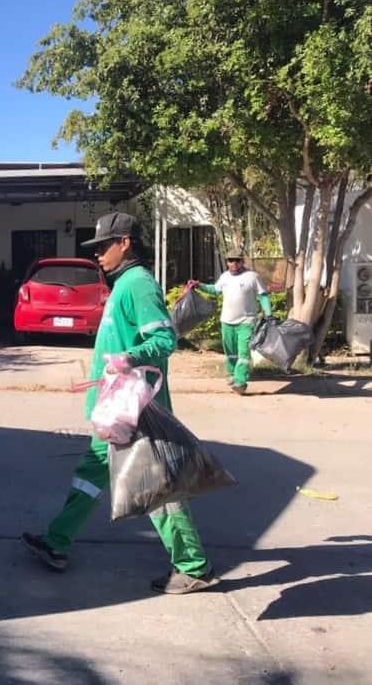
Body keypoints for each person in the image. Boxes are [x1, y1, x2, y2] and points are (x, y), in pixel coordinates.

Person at [20, 211, 218, 595]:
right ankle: (57, 541)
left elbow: (164, 342)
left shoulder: (139, 284)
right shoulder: (124, 283)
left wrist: (128, 359)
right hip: (114, 408)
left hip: (136, 408)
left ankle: (193, 565)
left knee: (156, 486)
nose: (98, 255)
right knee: (93, 470)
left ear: (124, 242)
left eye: (103, 247)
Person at [188, 248, 272, 395]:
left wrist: (269, 313)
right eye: (230, 260)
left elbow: (263, 295)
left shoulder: (252, 277)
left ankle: (240, 381)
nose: (233, 263)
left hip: (246, 322)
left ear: (242, 261)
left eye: (236, 260)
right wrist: (199, 285)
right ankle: (233, 375)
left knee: (243, 353)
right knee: (230, 352)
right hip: (227, 321)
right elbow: (214, 289)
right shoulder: (225, 277)